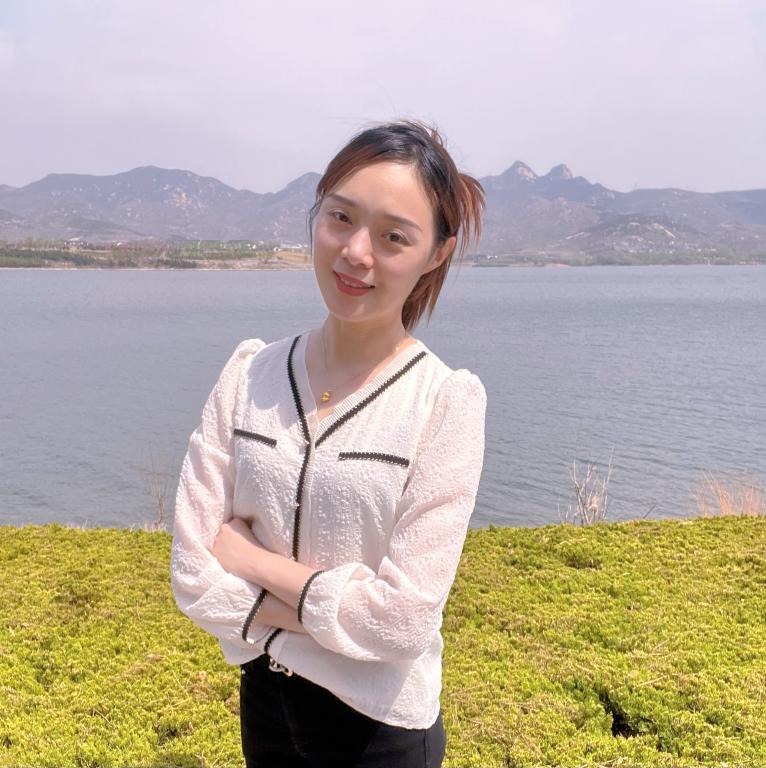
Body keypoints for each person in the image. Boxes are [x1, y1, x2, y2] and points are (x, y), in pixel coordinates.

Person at [170, 119, 487, 768]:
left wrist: (251, 561)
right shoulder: (249, 373)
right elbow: (193, 575)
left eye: (394, 236)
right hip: (265, 700)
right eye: (341, 217)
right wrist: (339, 612)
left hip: (379, 730)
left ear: (437, 253)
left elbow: (402, 622)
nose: (356, 252)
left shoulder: (443, 402)